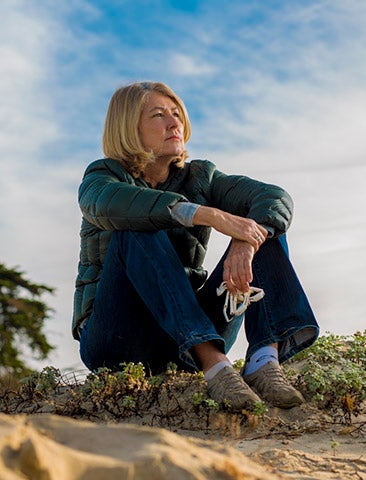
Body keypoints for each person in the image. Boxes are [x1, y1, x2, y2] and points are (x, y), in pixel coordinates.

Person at [73, 81, 319, 411]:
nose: (174, 123)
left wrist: (245, 242)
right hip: (117, 338)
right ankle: (215, 364)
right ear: (128, 128)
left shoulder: (199, 177)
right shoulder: (103, 177)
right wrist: (208, 215)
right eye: (158, 115)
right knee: (137, 226)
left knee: (264, 228)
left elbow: (274, 197)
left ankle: (263, 361)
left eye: (176, 114)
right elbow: (107, 204)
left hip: (179, 336)